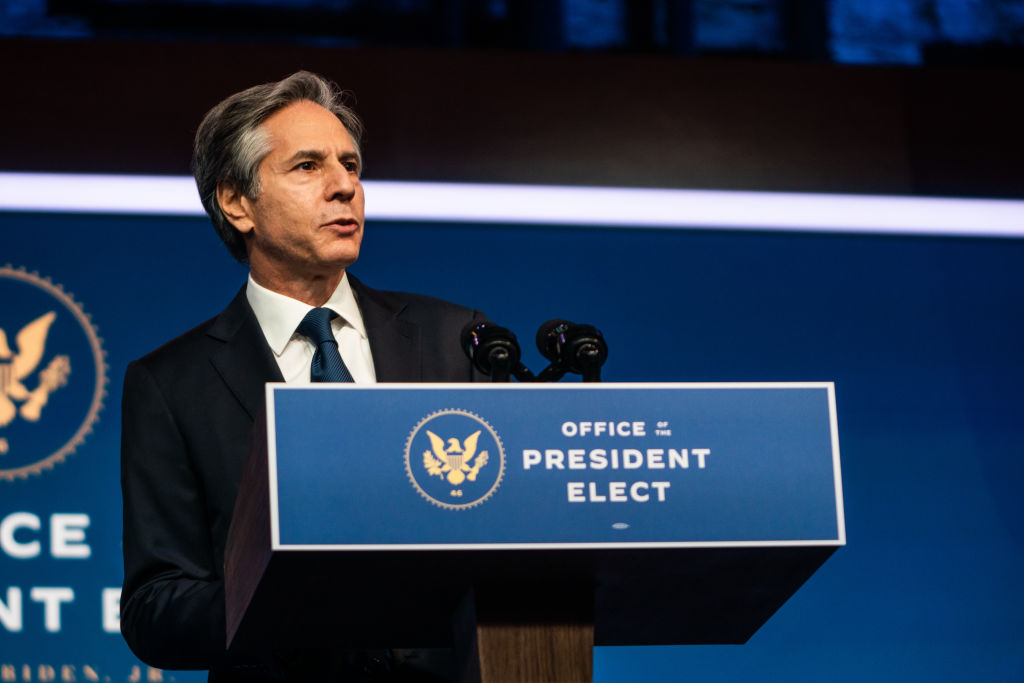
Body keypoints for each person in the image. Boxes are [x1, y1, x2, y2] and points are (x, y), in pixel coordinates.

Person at [120, 71, 483, 682]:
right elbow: (156, 607)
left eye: (351, 164)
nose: (345, 187)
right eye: (309, 167)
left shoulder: (456, 340)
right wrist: (293, 602)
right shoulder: (172, 385)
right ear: (237, 203)